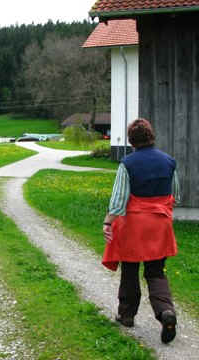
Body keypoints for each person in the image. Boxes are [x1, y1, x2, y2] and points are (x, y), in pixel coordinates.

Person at [102, 118, 180, 344]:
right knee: (156, 271)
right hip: (160, 224)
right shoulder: (169, 162)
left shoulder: (128, 163)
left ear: (131, 140)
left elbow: (119, 200)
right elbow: (175, 194)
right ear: (151, 136)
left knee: (130, 270)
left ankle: (126, 315)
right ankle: (165, 311)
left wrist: (108, 222)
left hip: (134, 225)